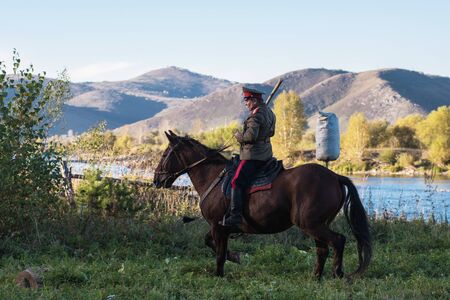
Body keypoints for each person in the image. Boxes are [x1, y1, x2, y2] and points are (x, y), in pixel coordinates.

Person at [222, 86, 276, 227]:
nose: (245, 103)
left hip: (253, 156)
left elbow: (250, 137)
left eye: (247, 100)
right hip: (266, 154)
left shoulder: (256, 116)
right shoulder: (269, 113)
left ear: (254, 99)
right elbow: (272, 133)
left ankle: (235, 216)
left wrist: (239, 137)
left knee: (236, 181)